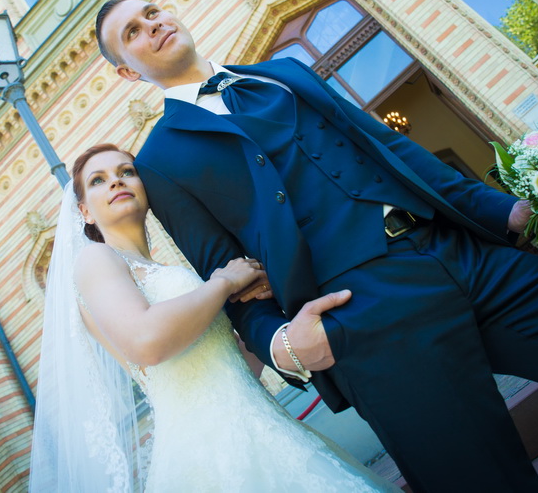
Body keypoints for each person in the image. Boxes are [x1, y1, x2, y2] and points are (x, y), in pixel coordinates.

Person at [94, 0, 538, 492]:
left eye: (152, 12)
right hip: (365, 318)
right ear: (127, 71)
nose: (153, 26)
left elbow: (393, 149)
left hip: (466, 255)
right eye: (134, 33)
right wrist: (282, 343)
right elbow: (229, 280)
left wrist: (504, 210)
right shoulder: (161, 161)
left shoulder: (285, 73)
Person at [28, 143, 399, 492]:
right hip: (206, 450)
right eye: (98, 180)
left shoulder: (151, 269)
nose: (116, 180)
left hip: (259, 425)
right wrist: (222, 283)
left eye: (126, 171)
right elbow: (146, 341)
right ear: (85, 212)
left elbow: (228, 367)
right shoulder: (96, 259)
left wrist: (263, 300)